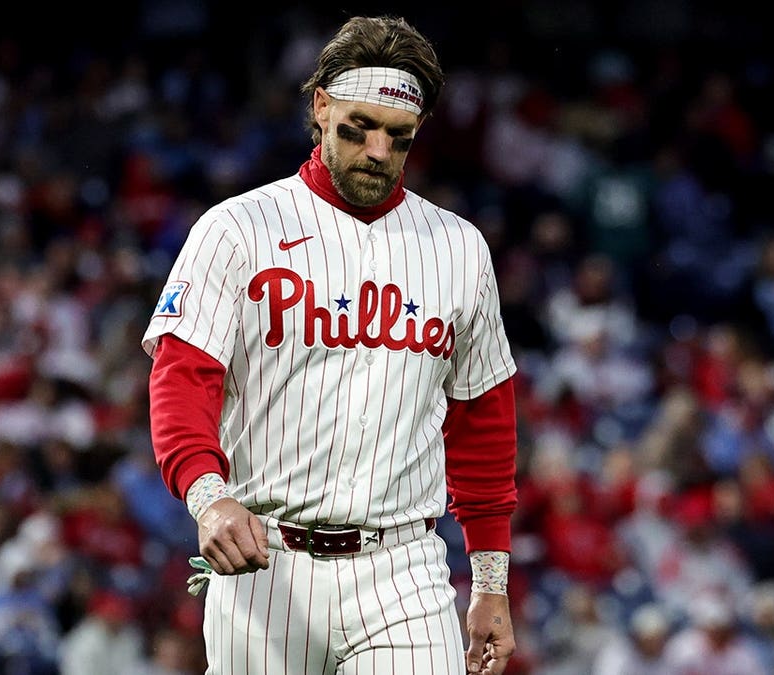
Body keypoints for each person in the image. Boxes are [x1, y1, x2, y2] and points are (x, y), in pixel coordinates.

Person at [143, 15, 518, 674]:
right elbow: (182, 379)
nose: (378, 150)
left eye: (398, 137)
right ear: (320, 107)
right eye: (357, 128)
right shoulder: (237, 228)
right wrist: (209, 498)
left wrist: (490, 582)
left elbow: (482, 423)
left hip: (403, 568)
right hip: (265, 563)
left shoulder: (459, 247)